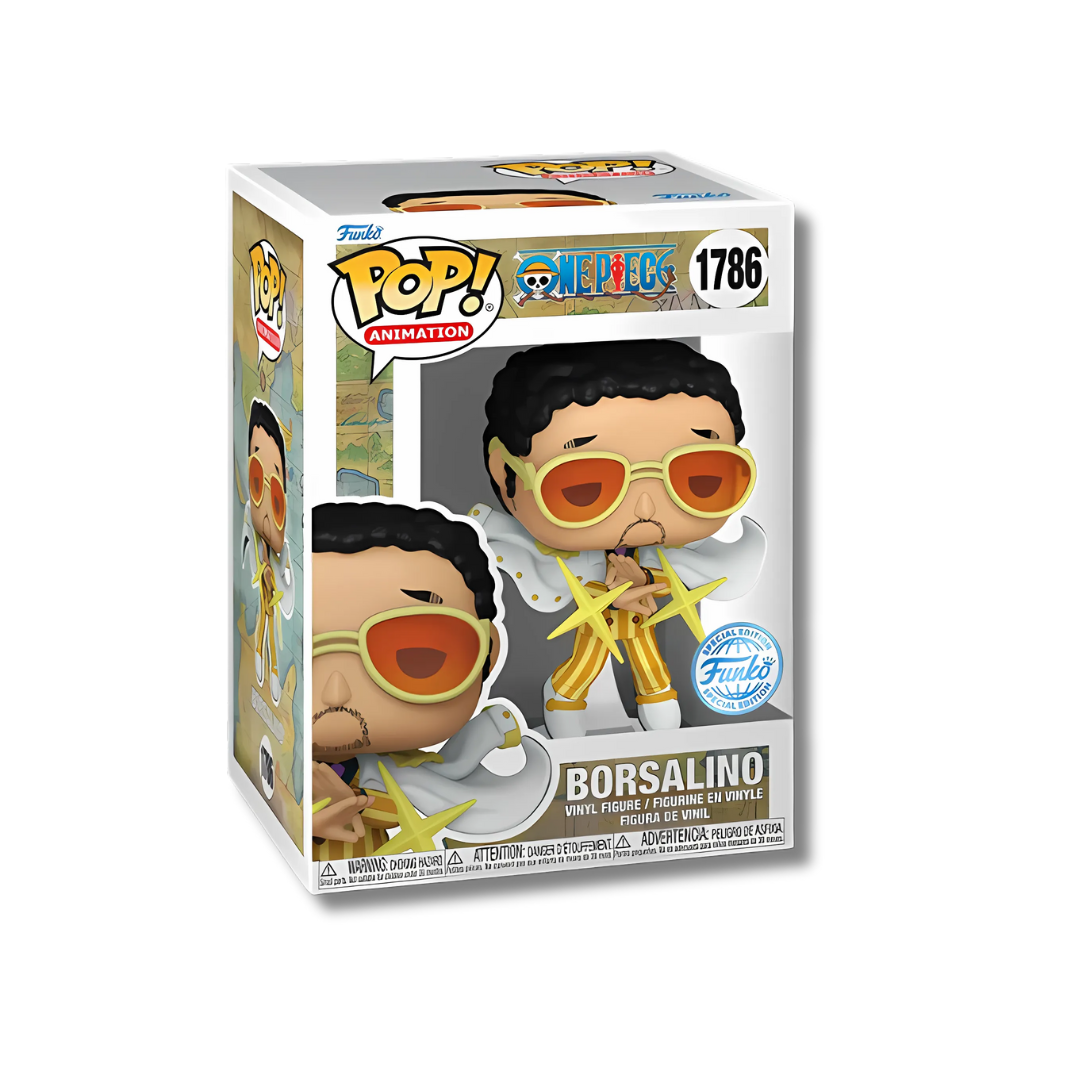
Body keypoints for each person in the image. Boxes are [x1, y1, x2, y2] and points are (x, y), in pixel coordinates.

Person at [473, 339, 767, 737]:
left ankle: (655, 705)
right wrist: (615, 593)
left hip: (639, 618)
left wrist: (643, 582)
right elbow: (583, 583)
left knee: (651, 668)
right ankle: (563, 698)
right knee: (584, 665)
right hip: (597, 618)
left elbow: (671, 578)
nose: (645, 507)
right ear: (506, 473)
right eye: (584, 485)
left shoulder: (669, 556)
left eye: (701, 477)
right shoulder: (545, 558)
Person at [310, 500, 550, 859]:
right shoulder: (281, 766)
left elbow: (399, 803)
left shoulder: (384, 772)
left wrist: (354, 802)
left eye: (416, 654)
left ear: (488, 654)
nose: (336, 692)